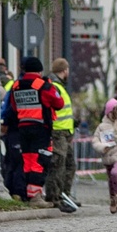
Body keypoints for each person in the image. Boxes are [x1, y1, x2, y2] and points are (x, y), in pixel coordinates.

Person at [8, 57, 65, 208]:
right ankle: (36, 197)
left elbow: (13, 107)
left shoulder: (16, 86)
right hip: (41, 129)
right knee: (40, 161)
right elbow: (59, 104)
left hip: (22, 128)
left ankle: (27, 194)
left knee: (28, 161)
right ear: (40, 70)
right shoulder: (44, 85)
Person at [45, 58, 77, 212]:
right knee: (58, 164)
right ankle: (54, 197)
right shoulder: (55, 86)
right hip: (57, 132)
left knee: (69, 164)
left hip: (64, 132)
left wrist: (72, 123)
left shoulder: (58, 86)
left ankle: (65, 195)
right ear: (65, 70)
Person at [92, 98, 117, 213]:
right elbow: (95, 140)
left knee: (115, 173)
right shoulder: (101, 127)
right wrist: (102, 147)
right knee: (111, 179)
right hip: (107, 157)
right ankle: (113, 200)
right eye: (113, 112)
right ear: (108, 112)